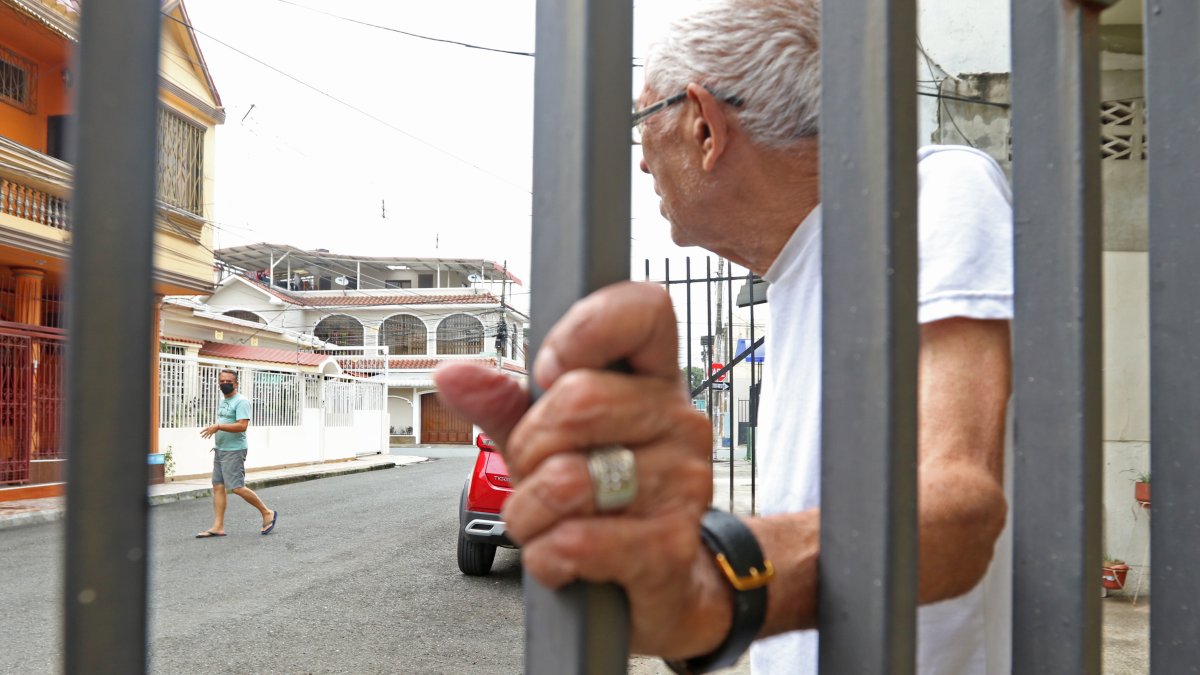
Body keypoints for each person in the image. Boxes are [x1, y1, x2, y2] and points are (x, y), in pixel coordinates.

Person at [435, 0, 1012, 672]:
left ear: (705, 126)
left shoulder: (931, 195)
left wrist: (719, 577)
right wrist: (671, 579)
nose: (642, 162)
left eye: (641, 122)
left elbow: (957, 503)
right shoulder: (800, 277)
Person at [196, 368, 278, 538]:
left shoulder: (241, 401)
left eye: (229, 382)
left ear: (236, 383)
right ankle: (218, 526)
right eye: (222, 381)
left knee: (237, 487)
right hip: (220, 449)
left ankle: (267, 512)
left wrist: (218, 426)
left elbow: (242, 425)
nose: (225, 384)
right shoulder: (223, 400)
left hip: (234, 451)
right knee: (218, 486)